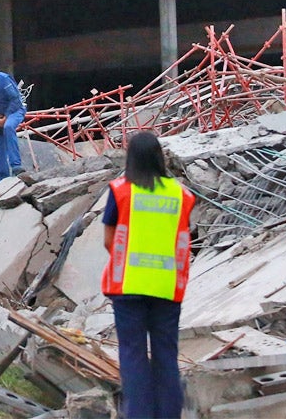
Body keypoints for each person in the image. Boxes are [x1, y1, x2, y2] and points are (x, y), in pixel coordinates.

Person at [101, 132, 195, 419]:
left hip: (127, 286)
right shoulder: (180, 194)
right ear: (160, 158)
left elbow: (109, 240)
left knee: (133, 358)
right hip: (167, 288)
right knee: (166, 357)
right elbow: (184, 237)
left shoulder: (120, 191)